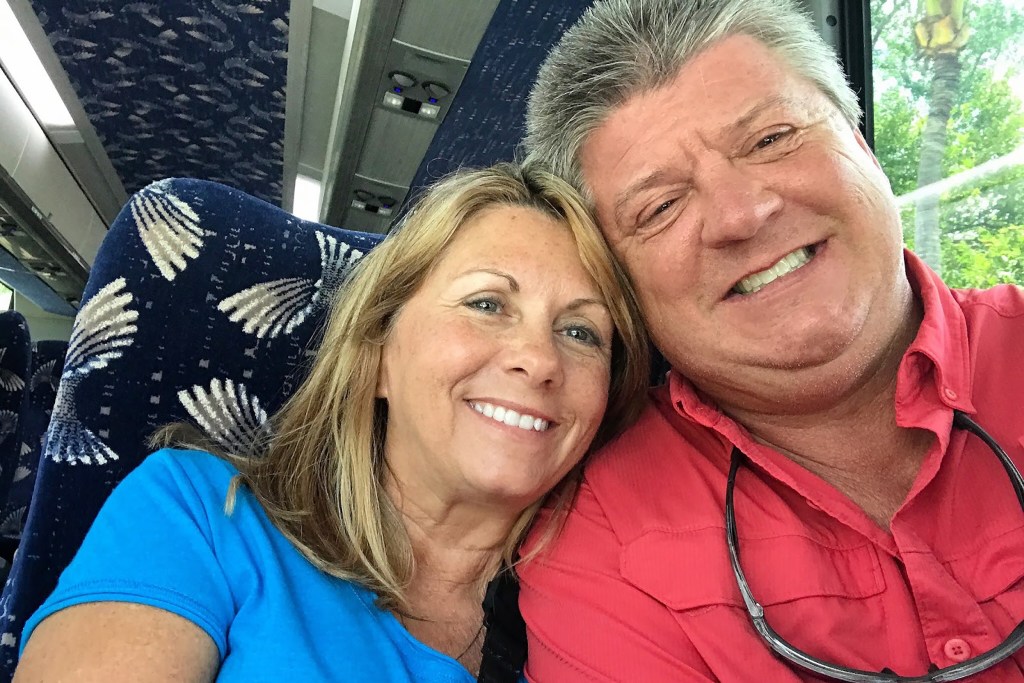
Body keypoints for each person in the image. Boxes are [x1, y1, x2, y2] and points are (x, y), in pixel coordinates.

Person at [517, 0, 1024, 681]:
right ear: (619, 286)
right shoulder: (599, 543)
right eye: (660, 206)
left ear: (861, 143)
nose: (741, 214)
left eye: (771, 138)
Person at [14, 163, 650, 682]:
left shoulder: (634, 606)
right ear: (376, 354)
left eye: (580, 331)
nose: (540, 360)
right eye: (487, 303)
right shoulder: (198, 513)